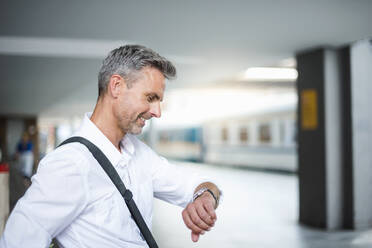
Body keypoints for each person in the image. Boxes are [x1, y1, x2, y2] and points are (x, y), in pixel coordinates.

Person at [0, 45, 221, 247]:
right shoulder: (70, 164)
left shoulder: (139, 154)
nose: (157, 112)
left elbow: (197, 184)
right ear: (116, 86)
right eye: (150, 97)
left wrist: (206, 197)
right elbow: (17, 241)